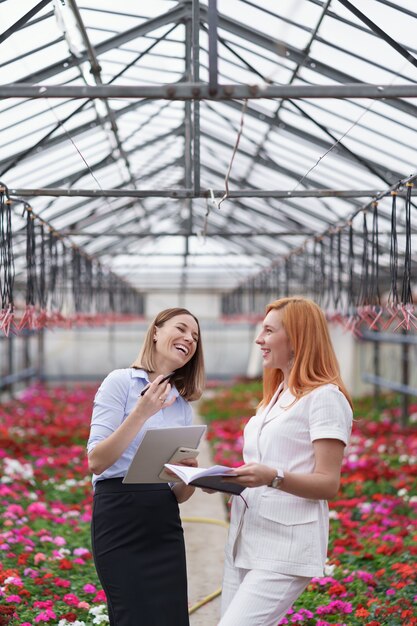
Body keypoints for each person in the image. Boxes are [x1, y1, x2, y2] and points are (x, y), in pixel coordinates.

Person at [218, 296, 353, 626]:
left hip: (285, 549)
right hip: (245, 538)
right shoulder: (277, 395)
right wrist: (223, 479)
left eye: (267, 331)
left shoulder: (325, 398)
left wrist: (272, 476)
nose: (258, 340)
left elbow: (327, 483)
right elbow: (264, 464)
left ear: (297, 337)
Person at [87, 308, 205, 626]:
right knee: (131, 616)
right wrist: (141, 412)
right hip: (119, 516)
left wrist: (190, 475)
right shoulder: (120, 383)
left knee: (171, 617)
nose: (189, 339)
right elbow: (97, 461)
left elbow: (178, 495)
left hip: (163, 519)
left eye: (195, 336)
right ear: (155, 332)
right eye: (181, 329)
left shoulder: (181, 405)